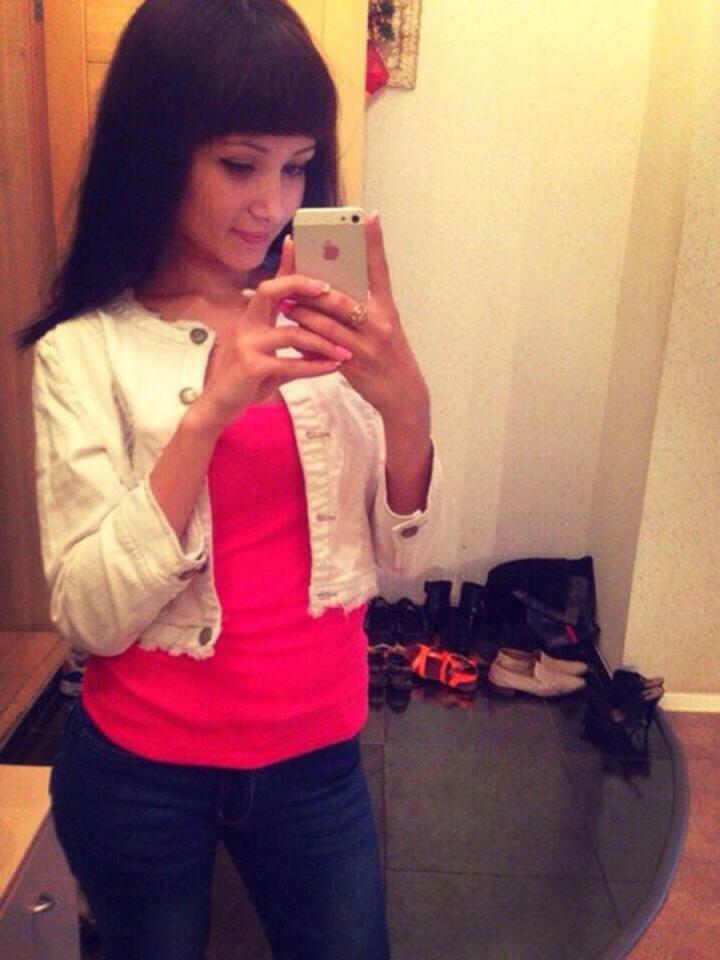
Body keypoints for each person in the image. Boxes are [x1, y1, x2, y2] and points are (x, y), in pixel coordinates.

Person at [20, 1, 441, 958]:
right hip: (140, 771)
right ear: (157, 152)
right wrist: (207, 416)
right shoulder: (85, 348)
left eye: (297, 166)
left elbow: (404, 557)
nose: (273, 204)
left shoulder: (324, 322)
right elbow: (89, 616)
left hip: (316, 758)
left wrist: (407, 407)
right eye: (240, 164)